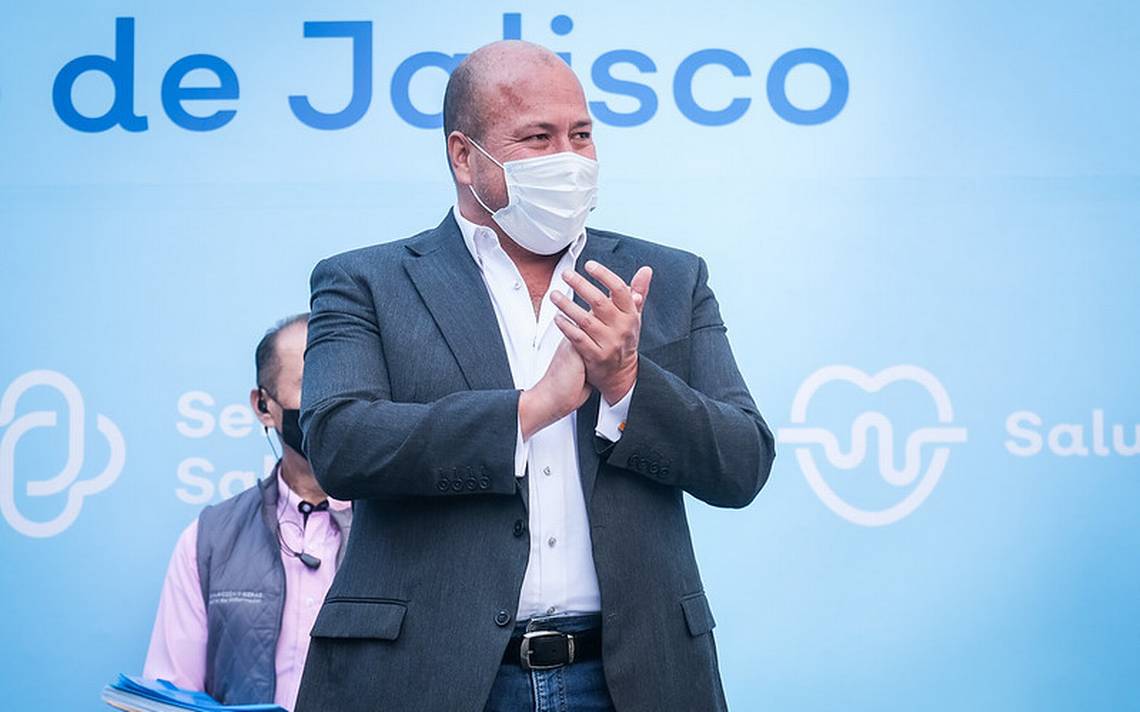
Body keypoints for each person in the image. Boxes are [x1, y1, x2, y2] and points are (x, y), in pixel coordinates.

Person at [294, 40, 776, 712]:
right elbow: (341, 444)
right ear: (463, 156)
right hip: (430, 677)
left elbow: (743, 463)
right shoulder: (366, 281)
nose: (568, 159)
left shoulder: (667, 278)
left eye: (581, 135)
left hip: (633, 678)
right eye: (538, 138)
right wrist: (529, 409)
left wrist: (627, 385)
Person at [143, 313, 353, 710]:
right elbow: (170, 696)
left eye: (343, 383)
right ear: (263, 406)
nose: (330, 402)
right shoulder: (209, 540)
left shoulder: (397, 532)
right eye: (311, 384)